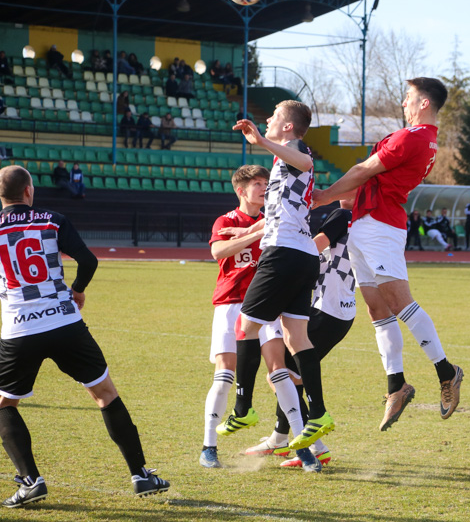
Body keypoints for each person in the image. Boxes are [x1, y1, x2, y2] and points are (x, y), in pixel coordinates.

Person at [0, 166, 169, 507]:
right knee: (105, 393)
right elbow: (88, 261)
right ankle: (140, 475)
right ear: (29, 191)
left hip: (19, 327)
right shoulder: (53, 219)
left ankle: (31, 481)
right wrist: (77, 291)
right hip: (64, 321)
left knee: (4, 405)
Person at [312, 77, 463, 432]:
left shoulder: (412, 137)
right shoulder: (422, 139)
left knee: (399, 302)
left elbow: (363, 170)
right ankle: (396, 385)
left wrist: (324, 196)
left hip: (381, 226)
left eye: (409, 98)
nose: (404, 103)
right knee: (377, 307)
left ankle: (447, 371)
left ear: (424, 103)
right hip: (366, 224)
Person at [231, 100, 335, 453]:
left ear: (288, 126)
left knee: (245, 328)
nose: (268, 119)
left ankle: (242, 408)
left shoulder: (294, 148)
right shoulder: (282, 160)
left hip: (285, 254)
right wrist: (246, 233)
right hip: (302, 255)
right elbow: (284, 210)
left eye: (273, 116)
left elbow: (305, 161)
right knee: (296, 339)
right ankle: (318, 414)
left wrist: (260, 141)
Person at [200, 165, 317, 471]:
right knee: (225, 374)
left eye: (267, 183)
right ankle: (208, 446)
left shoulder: (275, 219)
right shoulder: (227, 220)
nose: (264, 189)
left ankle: (302, 446)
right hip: (230, 303)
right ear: (241, 190)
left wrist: (261, 229)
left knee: (279, 370)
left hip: (268, 305)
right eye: (257, 184)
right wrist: (250, 234)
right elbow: (218, 251)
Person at [246, 203, 355, 468]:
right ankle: (280, 437)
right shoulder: (357, 218)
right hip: (337, 309)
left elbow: (313, 248)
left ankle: (312, 446)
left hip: (326, 310)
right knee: (289, 374)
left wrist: (279, 259)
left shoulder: (343, 214)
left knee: (281, 373)